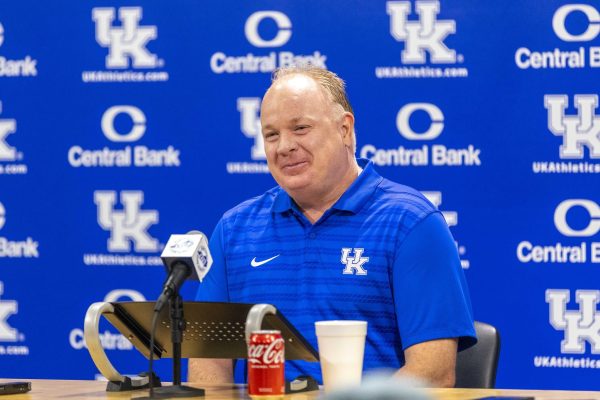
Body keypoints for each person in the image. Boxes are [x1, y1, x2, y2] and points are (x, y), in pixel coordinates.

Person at [189, 66, 476, 387]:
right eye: (271, 134)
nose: (284, 146)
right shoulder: (234, 230)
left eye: (300, 128)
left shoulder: (410, 222)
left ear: (344, 129)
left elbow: (433, 373)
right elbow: (208, 361)